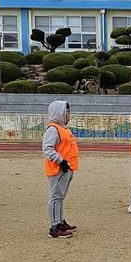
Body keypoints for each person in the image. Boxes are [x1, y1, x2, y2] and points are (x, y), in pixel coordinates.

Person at [42, 100, 78, 238]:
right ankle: (55, 227)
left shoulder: (63, 128)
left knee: (60, 197)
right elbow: (47, 149)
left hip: (66, 169)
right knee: (56, 197)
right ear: (59, 113)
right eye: (66, 112)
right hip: (58, 169)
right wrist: (61, 161)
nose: (68, 115)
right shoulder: (53, 129)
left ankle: (60, 221)